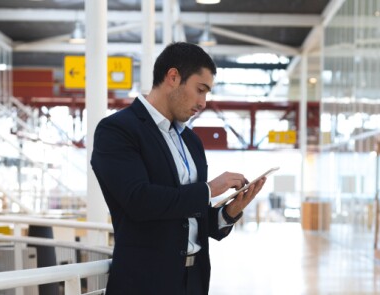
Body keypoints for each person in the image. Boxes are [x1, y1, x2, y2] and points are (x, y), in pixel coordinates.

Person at [91, 42, 266, 295]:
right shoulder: (118, 130)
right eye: (200, 90)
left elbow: (191, 220)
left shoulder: (190, 141)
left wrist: (228, 212)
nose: (203, 102)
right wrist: (208, 189)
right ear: (173, 77)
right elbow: (138, 200)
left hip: (193, 281)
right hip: (144, 283)